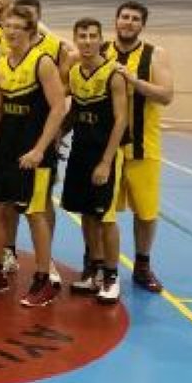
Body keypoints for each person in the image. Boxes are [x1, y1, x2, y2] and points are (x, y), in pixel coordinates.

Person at [0, 4, 67, 307]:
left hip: (35, 151)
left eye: (17, 27)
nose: (10, 32)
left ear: (31, 32)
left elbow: (58, 108)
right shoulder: (0, 64)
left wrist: (40, 149)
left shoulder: (42, 62)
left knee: (35, 214)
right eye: (7, 26)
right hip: (6, 148)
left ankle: (44, 279)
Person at [104, 1, 174, 293]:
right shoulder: (101, 50)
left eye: (135, 19)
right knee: (101, 211)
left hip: (143, 146)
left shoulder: (155, 54)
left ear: (142, 25)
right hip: (106, 148)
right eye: (125, 17)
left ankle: (142, 265)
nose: (129, 22)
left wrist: (134, 81)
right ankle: (98, 264)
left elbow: (166, 95)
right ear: (116, 20)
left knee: (146, 212)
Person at [63, 18, 128, 304]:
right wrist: (57, 136)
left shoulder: (114, 74)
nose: (87, 41)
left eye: (92, 36)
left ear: (101, 39)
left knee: (105, 218)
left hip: (105, 153)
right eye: (82, 36)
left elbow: (121, 120)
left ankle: (112, 276)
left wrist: (106, 161)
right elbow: (74, 112)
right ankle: (95, 269)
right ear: (75, 39)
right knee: (86, 215)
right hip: (80, 150)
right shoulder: (75, 73)